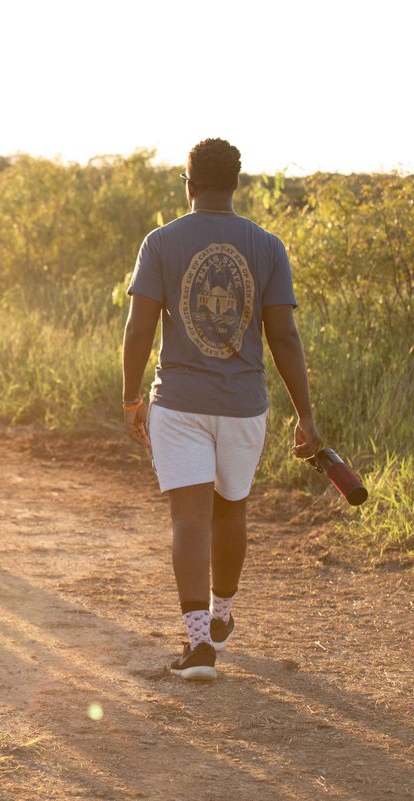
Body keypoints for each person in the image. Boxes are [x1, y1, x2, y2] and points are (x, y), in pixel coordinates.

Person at [122, 138, 321, 681]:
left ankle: (198, 645)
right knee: (231, 507)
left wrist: (131, 397)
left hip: (180, 403)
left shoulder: (161, 242)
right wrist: (305, 415)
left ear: (187, 182)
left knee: (189, 517)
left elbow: (140, 326)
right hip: (243, 405)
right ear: (237, 182)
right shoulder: (267, 246)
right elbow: (284, 336)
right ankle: (222, 615)